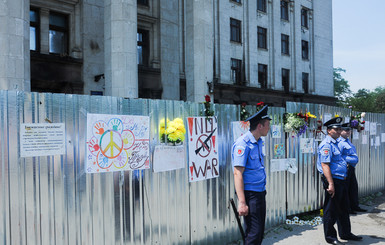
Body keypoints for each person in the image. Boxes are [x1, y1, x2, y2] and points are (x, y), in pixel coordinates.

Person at [317, 117, 362, 244]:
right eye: (336, 129)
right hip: (333, 180)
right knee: (331, 210)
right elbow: (325, 165)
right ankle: (330, 237)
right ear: (329, 130)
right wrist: (330, 183)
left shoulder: (336, 143)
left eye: (340, 129)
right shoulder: (326, 145)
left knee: (344, 208)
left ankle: (345, 233)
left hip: (341, 179)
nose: (339, 131)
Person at [231, 105, 271, 245]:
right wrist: (242, 203)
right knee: (253, 233)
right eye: (267, 125)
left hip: (260, 192)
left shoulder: (258, 142)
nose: (269, 128)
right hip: (250, 194)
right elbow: (237, 173)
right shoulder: (243, 144)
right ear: (260, 126)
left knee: (259, 231)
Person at [338, 123, 367, 214]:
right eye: (346, 130)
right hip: (345, 167)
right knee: (346, 189)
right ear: (340, 131)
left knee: (353, 188)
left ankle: (354, 206)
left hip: (351, 168)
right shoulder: (339, 142)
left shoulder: (347, 141)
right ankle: (347, 208)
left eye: (349, 130)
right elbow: (339, 156)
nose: (348, 132)